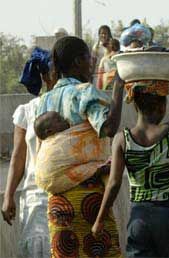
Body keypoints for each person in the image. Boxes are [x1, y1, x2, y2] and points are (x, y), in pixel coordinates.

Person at [91, 54, 169, 258]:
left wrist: (99, 220)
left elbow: (114, 183)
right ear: (162, 107)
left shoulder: (122, 139)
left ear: (135, 105)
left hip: (139, 218)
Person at [35, 36, 124, 258]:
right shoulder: (84, 92)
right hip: (88, 198)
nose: (92, 63)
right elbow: (108, 128)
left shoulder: (45, 100)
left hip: (57, 203)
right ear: (77, 62)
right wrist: (119, 89)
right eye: (88, 58)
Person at [1, 49, 56, 258]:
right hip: (35, 197)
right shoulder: (27, 110)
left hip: (64, 192)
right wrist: (8, 195)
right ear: (44, 76)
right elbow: (18, 157)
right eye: (54, 71)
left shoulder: (71, 104)